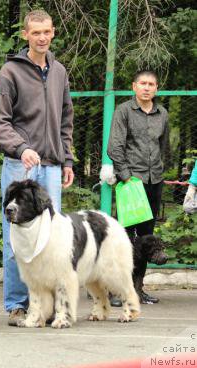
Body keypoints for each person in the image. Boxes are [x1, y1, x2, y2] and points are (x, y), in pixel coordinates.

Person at [0, 9, 74, 326]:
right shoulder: (9, 72)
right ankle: (16, 305)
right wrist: (21, 147)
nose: (42, 37)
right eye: (36, 32)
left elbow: (66, 119)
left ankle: (49, 305)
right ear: (25, 34)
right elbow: (0, 122)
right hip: (19, 166)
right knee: (17, 238)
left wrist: (67, 159)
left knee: (50, 240)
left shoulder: (59, 71)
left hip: (52, 167)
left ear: (53, 33)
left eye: (47, 32)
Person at [107, 70, 169, 304]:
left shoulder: (162, 113)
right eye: (142, 83)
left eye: (151, 84)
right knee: (123, 237)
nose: (146, 87)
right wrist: (126, 177)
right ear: (134, 86)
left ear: (156, 88)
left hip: (154, 182)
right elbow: (114, 147)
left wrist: (160, 173)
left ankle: (137, 289)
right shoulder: (124, 111)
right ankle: (114, 290)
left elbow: (163, 148)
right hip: (131, 183)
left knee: (146, 238)